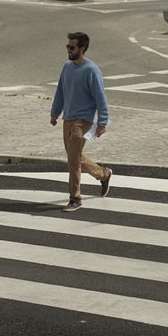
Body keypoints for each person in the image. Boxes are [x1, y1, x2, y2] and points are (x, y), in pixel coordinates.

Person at [49, 30, 113, 211]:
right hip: (67, 119)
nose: (69, 50)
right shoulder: (67, 67)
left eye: (72, 47)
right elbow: (61, 91)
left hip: (82, 121)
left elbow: (101, 98)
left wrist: (102, 123)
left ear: (82, 48)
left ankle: (75, 199)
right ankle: (103, 174)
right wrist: (54, 113)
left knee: (73, 162)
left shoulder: (91, 70)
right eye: (67, 47)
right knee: (74, 157)